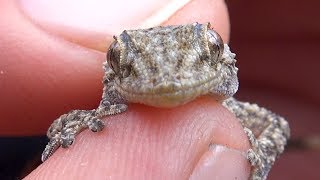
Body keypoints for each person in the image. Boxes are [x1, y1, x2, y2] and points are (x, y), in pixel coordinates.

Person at [1, 1, 252, 179]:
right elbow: (55, 128)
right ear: (113, 70)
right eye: (118, 57)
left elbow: (279, 127)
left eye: (212, 46)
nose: (168, 83)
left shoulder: (236, 113)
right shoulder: (89, 118)